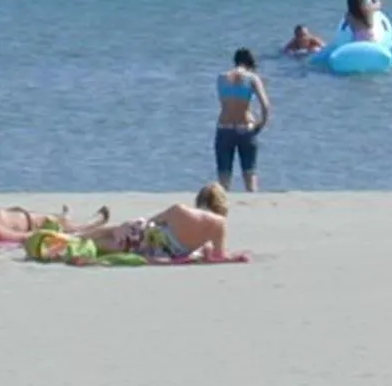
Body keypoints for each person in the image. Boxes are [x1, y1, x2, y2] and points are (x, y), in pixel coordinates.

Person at [83, 183, 230, 260]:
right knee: (101, 245)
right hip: (151, 249)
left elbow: (150, 222)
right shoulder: (218, 224)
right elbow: (218, 255)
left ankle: (76, 235)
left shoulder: (179, 209)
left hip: (142, 234)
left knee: (109, 232)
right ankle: (73, 239)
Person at [215, 48, 270, 192]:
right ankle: (253, 208)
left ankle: (221, 209)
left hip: (224, 127)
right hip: (245, 127)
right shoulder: (252, 78)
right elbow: (265, 105)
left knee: (224, 176)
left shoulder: (221, 77)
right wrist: (260, 125)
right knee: (249, 174)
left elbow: (224, 101)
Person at [0, 205, 109, 242]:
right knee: (72, 227)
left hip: (18, 214)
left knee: (59, 220)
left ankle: (64, 215)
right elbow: (22, 237)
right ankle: (94, 222)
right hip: (32, 222)